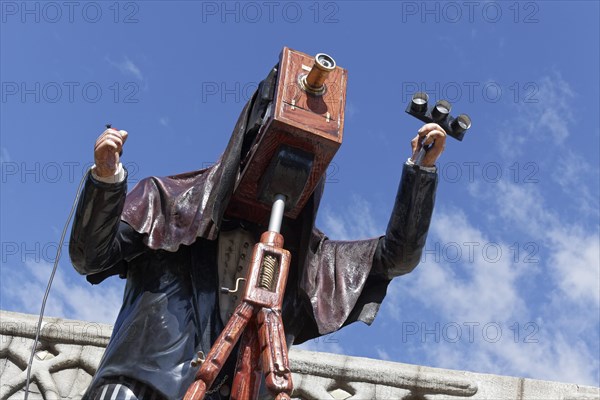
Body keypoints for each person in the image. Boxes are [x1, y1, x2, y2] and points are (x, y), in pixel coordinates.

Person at [69, 68, 446, 400]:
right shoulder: (167, 202)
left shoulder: (308, 260)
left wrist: (420, 172)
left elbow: (396, 257)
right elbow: (90, 256)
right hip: (140, 387)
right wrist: (106, 180)